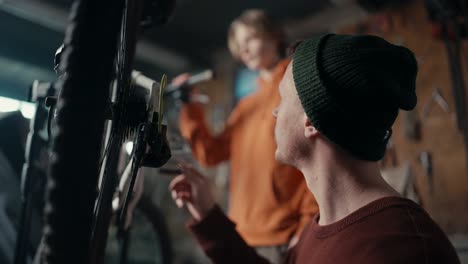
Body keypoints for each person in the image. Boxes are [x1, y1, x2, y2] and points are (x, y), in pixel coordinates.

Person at [169, 34, 461, 263]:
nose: (274, 113)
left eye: (282, 100)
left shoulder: (404, 249)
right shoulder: (319, 227)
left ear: (310, 121)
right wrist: (208, 216)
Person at [172, 9, 318, 262]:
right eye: (239, 45)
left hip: (284, 238)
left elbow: (318, 153)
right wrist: (190, 106)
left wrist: (308, 222)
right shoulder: (245, 107)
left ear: (274, 36)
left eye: (250, 38)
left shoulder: (297, 87)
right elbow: (210, 154)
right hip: (241, 234)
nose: (245, 49)